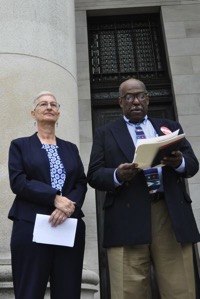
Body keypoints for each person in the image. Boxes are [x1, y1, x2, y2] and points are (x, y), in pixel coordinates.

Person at [87, 78, 200, 299]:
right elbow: (93, 175)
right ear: (121, 102)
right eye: (129, 97)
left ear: (147, 99)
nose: (135, 101)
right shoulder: (106, 133)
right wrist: (117, 175)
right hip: (125, 217)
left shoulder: (170, 128)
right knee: (129, 290)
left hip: (168, 214)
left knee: (180, 288)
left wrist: (179, 163)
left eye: (140, 96)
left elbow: (193, 164)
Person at [8, 91, 87, 299]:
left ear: (58, 113)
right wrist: (54, 198)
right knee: (30, 291)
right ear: (33, 113)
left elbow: (81, 182)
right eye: (43, 104)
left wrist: (69, 206)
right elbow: (18, 181)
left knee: (68, 291)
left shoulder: (70, 148)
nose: (49, 107)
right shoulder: (20, 146)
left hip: (67, 227)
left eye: (53, 104)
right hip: (30, 225)